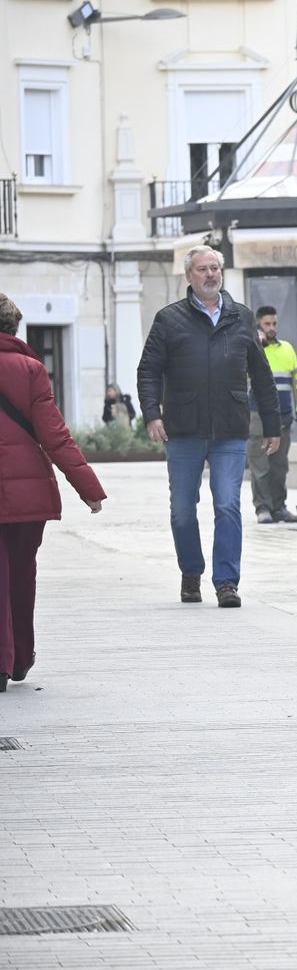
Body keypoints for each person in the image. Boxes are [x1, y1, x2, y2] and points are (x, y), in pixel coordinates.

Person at [137, 246, 281, 609]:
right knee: (183, 509)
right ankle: (190, 572)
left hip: (230, 429)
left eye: (215, 268)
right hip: (183, 429)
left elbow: (262, 377)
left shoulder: (242, 317)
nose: (210, 274)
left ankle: (227, 582)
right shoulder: (169, 320)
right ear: (189, 276)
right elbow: (149, 370)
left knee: (228, 504)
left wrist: (271, 425)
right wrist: (153, 414)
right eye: (202, 269)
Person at [0, 293, 106, 690]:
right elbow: (54, 434)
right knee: (21, 574)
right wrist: (87, 487)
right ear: (13, 328)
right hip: (29, 498)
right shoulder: (30, 369)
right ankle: (21, 658)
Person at [249, 304, 297, 524]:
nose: (272, 328)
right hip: (257, 415)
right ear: (258, 325)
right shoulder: (252, 349)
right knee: (260, 463)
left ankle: (279, 507)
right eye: (267, 324)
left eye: (274, 323)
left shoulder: (287, 349)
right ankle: (262, 508)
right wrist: (257, 344)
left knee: (279, 465)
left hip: (284, 414)